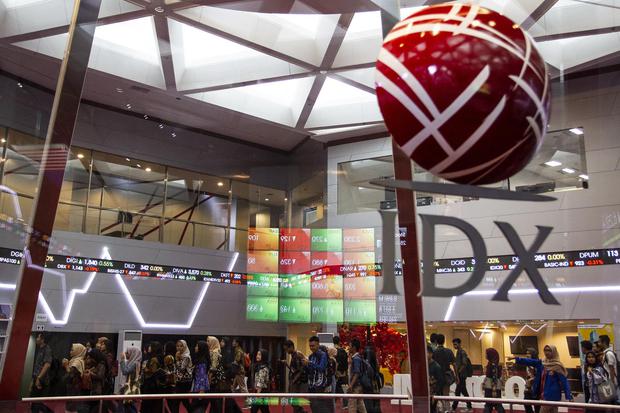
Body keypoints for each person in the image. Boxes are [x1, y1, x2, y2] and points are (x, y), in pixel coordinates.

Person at [305, 335, 331, 413]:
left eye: (313, 346)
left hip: (320, 385)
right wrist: (305, 365)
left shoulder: (323, 355)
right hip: (311, 385)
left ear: (318, 345)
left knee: (319, 406)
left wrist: (309, 363)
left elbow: (321, 368)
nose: (311, 348)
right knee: (312, 405)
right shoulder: (310, 356)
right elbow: (310, 370)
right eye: (310, 346)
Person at [511, 348, 542, 413]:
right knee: (526, 403)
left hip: (537, 389)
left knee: (537, 408)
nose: (527, 355)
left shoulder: (538, 363)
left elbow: (540, 376)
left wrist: (533, 379)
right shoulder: (527, 364)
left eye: (529, 353)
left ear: (533, 354)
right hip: (528, 388)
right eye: (526, 353)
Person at [31, 333, 54, 413]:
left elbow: (47, 365)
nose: (36, 339)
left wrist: (39, 378)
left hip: (42, 380)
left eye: (38, 337)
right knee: (34, 402)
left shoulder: (47, 349)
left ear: (42, 339)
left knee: (37, 403)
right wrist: (33, 380)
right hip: (36, 378)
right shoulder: (40, 349)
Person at [282, 339, 308, 413]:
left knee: (294, 401)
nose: (286, 351)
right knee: (293, 401)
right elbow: (294, 370)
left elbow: (301, 370)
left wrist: (294, 380)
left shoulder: (298, 355)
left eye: (287, 349)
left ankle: (301, 411)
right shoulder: (293, 355)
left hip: (297, 382)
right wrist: (287, 364)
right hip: (294, 380)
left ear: (291, 347)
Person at [432, 333, 455, 412]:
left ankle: (440, 409)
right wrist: (456, 376)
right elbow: (454, 364)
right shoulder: (449, 351)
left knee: (437, 395)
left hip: (437, 377)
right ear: (444, 341)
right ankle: (447, 409)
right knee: (446, 394)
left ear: (436, 341)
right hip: (446, 376)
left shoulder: (434, 352)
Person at [141, 341, 165, 413]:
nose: (149, 348)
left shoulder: (154, 359)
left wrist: (145, 368)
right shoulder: (159, 357)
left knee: (148, 405)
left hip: (151, 385)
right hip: (156, 385)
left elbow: (152, 371)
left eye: (150, 346)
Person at [169, 340, 193, 413]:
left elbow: (182, 368)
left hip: (185, 381)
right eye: (177, 346)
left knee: (177, 401)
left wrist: (177, 360)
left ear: (185, 347)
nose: (179, 348)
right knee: (183, 401)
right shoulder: (179, 355)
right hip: (180, 380)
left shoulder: (186, 356)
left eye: (181, 346)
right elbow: (176, 369)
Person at [62, 343, 86, 413]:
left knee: (71, 409)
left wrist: (66, 366)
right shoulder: (74, 360)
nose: (70, 352)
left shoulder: (77, 362)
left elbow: (71, 375)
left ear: (77, 351)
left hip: (74, 389)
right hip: (71, 388)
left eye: (72, 350)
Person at [452, 338, 473, 412]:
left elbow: (464, 364)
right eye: (454, 344)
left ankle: (453, 408)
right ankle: (469, 407)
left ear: (459, 344)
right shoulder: (458, 352)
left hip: (462, 375)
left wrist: (458, 373)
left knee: (458, 392)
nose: (454, 346)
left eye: (455, 344)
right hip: (460, 375)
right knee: (463, 391)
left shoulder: (462, 352)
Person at [120, 347, 142, 413]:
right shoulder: (133, 362)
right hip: (130, 388)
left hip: (130, 389)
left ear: (133, 353)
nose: (125, 354)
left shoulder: (135, 364)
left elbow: (125, 371)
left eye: (127, 353)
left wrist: (122, 360)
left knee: (130, 407)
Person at [190, 340, 210, 413]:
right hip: (199, 387)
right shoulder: (200, 358)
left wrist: (201, 390)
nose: (195, 348)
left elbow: (202, 376)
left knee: (198, 408)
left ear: (201, 348)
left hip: (200, 389)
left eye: (197, 346)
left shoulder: (202, 360)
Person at [348, 338, 367, 413]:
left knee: (352, 405)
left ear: (354, 347)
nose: (349, 348)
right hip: (358, 385)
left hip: (355, 386)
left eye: (350, 346)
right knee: (360, 405)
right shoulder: (357, 357)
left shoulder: (356, 359)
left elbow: (357, 373)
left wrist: (351, 385)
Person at [84, 349, 107, 413]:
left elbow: (100, 376)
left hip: (98, 389)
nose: (91, 359)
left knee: (95, 407)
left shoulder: (102, 364)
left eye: (92, 357)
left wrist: (90, 373)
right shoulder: (97, 364)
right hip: (94, 389)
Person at [483, 348, 505, 413]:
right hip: (495, 388)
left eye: (486, 354)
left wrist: (493, 390)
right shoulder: (495, 364)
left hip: (491, 388)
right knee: (498, 404)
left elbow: (493, 377)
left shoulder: (491, 365)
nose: (485, 355)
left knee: (488, 405)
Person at [427, 344, 444, 413]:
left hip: (433, 393)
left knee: (432, 410)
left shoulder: (436, 366)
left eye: (427, 353)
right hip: (426, 393)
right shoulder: (424, 365)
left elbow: (441, 381)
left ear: (431, 354)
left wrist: (436, 394)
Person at [333, 336, 349, 407]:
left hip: (337, 372)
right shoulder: (343, 351)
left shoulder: (333, 351)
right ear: (339, 342)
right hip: (343, 372)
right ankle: (344, 403)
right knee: (340, 387)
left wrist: (335, 372)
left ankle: (343, 402)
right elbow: (346, 363)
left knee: (337, 387)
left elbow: (336, 363)